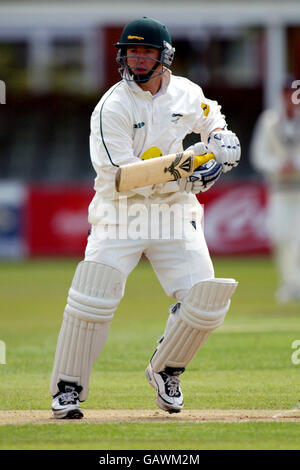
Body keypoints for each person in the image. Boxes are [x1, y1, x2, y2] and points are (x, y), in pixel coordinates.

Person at [50, 17, 240, 419]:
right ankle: (67, 389)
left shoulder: (186, 93)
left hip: (173, 211)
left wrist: (219, 139)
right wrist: (188, 166)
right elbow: (124, 177)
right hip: (121, 213)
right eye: (130, 51)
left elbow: (210, 116)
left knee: (205, 301)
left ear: (164, 56)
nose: (136, 59)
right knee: (93, 296)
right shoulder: (112, 107)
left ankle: (166, 369)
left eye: (145, 51)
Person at [251, 78, 300, 303]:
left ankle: (295, 285)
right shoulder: (269, 121)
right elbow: (259, 155)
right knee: (280, 237)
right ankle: (289, 284)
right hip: (280, 190)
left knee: (298, 240)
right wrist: (278, 166)